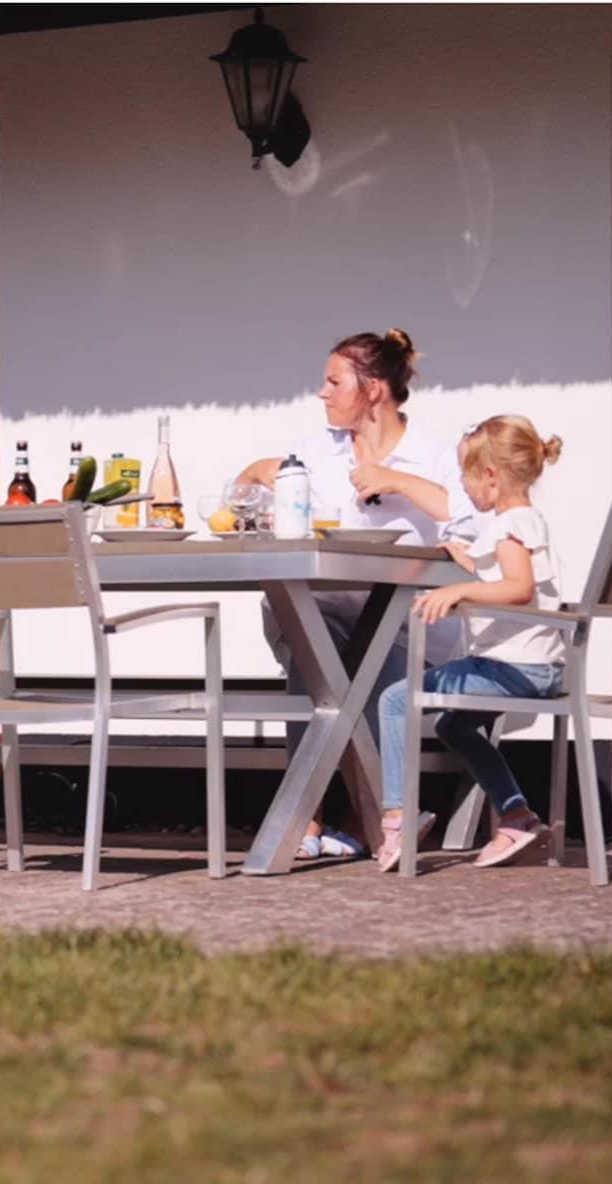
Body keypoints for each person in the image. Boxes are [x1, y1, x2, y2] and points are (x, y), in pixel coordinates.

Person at [234, 327, 479, 859]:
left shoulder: (433, 456)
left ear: (372, 390)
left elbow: (473, 527)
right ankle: (376, 817)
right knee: (315, 640)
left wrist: (399, 481)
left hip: (410, 629)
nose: (321, 393)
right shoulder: (315, 452)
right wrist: (249, 486)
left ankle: (310, 820)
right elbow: (250, 487)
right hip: (328, 614)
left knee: (329, 661)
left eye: (333, 382)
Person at [376, 415, 568, 871]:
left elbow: (518, 587)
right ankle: (517, 816)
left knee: (395, 701)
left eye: (465, 473)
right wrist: (464, 561)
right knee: (453, 727)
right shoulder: (523, 521)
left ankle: (398, 819)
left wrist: (458, 590)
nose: (461, 485)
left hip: (511, 669)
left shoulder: (510, 526)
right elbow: (504, 575)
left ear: (491, 476)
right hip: (539, 667)